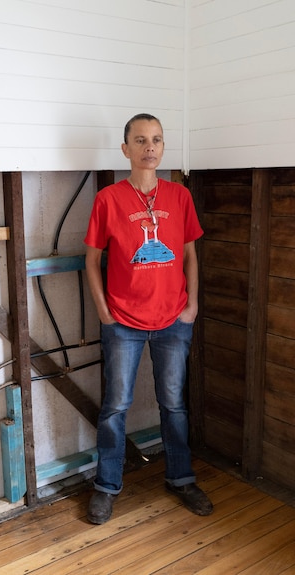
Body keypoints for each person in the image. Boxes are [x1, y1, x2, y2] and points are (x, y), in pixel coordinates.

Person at [83, 113, 213, 524]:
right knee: (115, 406)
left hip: (173, 319)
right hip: (123, 322)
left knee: (174, 404)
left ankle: (180, 478)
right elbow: (91, 261)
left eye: (156, 139)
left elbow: (190, 253)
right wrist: (105, 312)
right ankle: (106, 486)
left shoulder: (179, 196)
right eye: (140, 140)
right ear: (126, 149)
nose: (150, 147)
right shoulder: (108, 199)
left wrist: (191, 305)